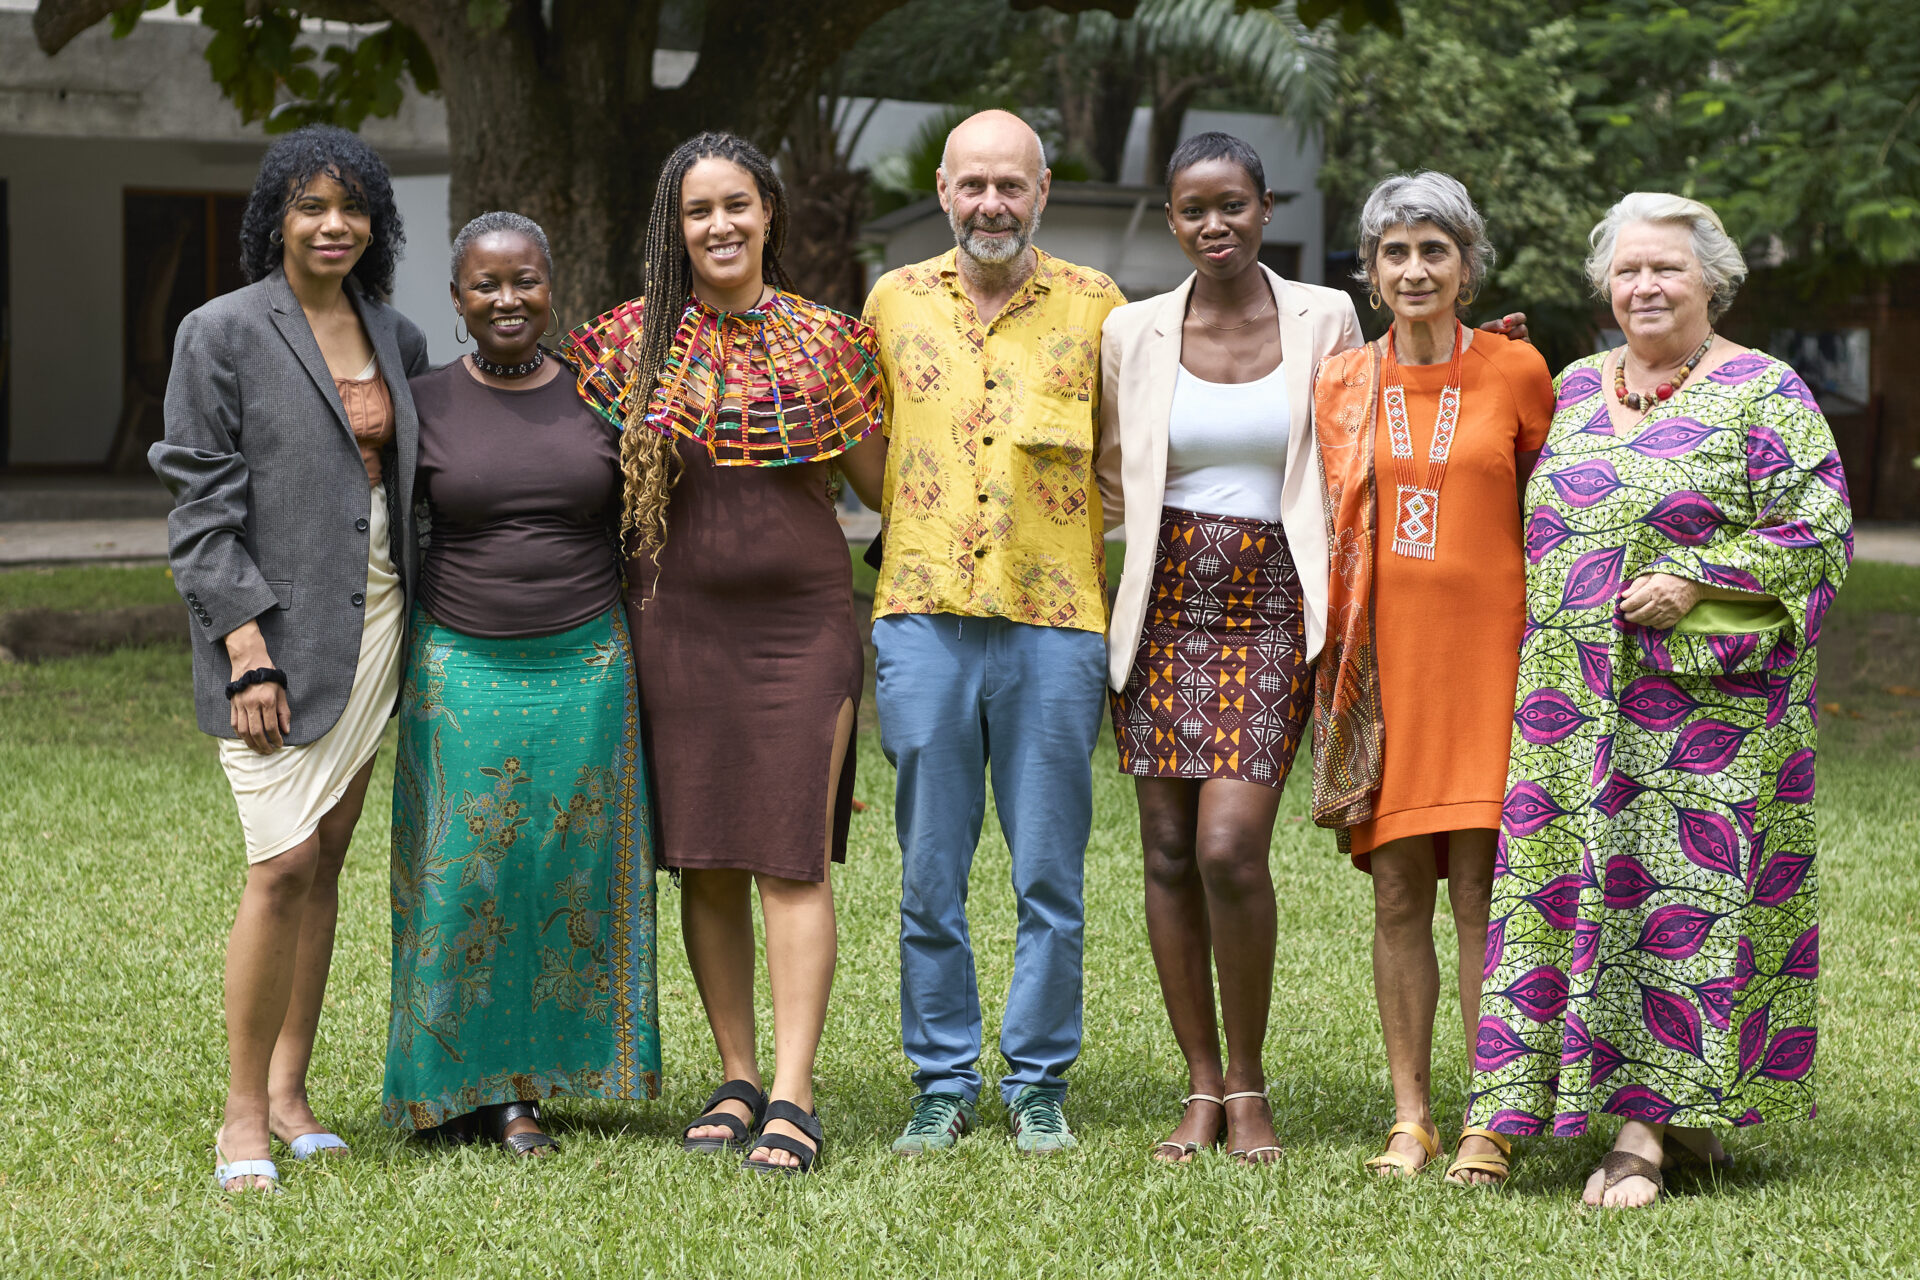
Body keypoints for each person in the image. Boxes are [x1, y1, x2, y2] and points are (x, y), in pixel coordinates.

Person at [1466, 192, 1852, 1206]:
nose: (1645, 286)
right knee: (1575, 897)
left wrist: (1699, 577)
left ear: (1712, 282)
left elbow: (1820, 528)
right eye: (1628, 270)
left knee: (1681, 905)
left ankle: (1644, 1132)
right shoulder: (1578, 384)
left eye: (1667, 269)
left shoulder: (1765, 391)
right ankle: (1629, 1110)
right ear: (1605, 286)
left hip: (1699, 719)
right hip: (1569, 708)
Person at [563, 132, 885, 1176]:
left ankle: (794, 1089)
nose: (720, 226)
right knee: (704, 855)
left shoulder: (833, 342)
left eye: (737, 204)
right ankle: (736, 1071)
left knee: (789, 855)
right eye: (699, 210)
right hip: (675, 623)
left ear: (769, 213)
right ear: (675, 228)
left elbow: (882, 484)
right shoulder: (624, 347)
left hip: (803, 626)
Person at [149, 125, 428, 1192]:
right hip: (272, 633)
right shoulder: (220, 330)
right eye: (310, 204)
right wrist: (245, 643)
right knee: (279, 866)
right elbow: (200, 503)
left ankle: (292, 1089)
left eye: (352, 205)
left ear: (374, 221)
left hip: (379, 623)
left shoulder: (395, 334)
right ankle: (239, 1115)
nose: (332, 223)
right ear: (277, 216)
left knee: (329, 863)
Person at [1094, 132, 1362, 1164]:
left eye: (1234, 205)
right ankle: (1200, 1088)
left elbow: (1364, 433)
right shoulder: (1136, 330)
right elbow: (1119, 473)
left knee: (1227, 847)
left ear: (1266, 207)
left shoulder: (1323, 315)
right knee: (1165, 851)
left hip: (1274, 604)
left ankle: (1249, 1083)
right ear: (1172, 219)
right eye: (1195, 209)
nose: (1216, 225)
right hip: (1164, 603)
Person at [862, 109, 1124, 1156]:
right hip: (922, 614)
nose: (991, 204)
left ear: (1043, 190)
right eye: (973, 185)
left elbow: (1123, 460)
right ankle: (941, 1076)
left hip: (1054, 622)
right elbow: (860, 442)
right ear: (941, 189)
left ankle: (1038, 1078)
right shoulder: (892, 302)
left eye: (1010, 185)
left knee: (1049, 874)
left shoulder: (1099, 309)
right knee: (930, 868)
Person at [381, 212, 659, 1156]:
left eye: (525, 280)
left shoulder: (605, 394)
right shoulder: (419, 402)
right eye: (485, 285)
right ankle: (449, 1084)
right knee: (461, 878)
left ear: (552, 285)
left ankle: (530, 1088)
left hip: (586, 666)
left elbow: (650, 525)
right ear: (456, 301)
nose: (508, 299)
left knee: (559, 872)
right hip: (460, 666)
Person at [1310, 171, 1553, 1183]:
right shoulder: (1339, 382)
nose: (1414, 268)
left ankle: (1489, 1116)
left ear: (1466, 265)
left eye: (1434, 250)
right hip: (1386, 671)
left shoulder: (1521, 370)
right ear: (1369, 273)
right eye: (1395, 252)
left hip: (1495, 663)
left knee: (1484, 895)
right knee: (1400, 891)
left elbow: (1558, 516)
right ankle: (1410, 1116)